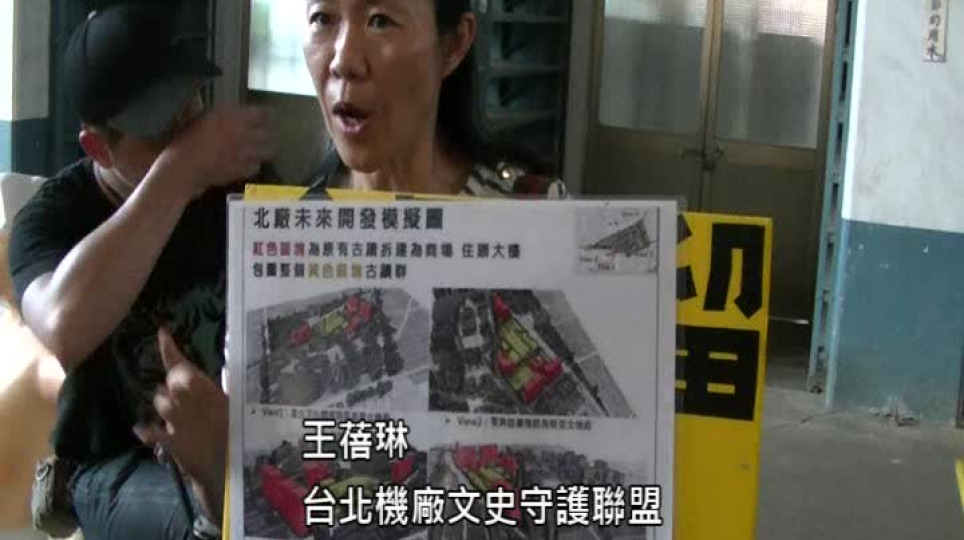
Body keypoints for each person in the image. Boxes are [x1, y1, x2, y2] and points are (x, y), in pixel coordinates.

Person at [6, 4, 273, 540]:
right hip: (115, 463)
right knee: (229, 515)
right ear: (97, 146)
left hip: (239, 438)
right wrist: (180, 172)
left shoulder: (237, 185)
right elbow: (63, 326)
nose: (189, 138)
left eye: (191, 108)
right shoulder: (53, 217)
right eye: (162, 131)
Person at [301, 0, 570, 199]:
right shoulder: (293, 221)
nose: (343, 62)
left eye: (380, 21)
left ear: (454, 44)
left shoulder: (535, 217)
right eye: (322, 18)